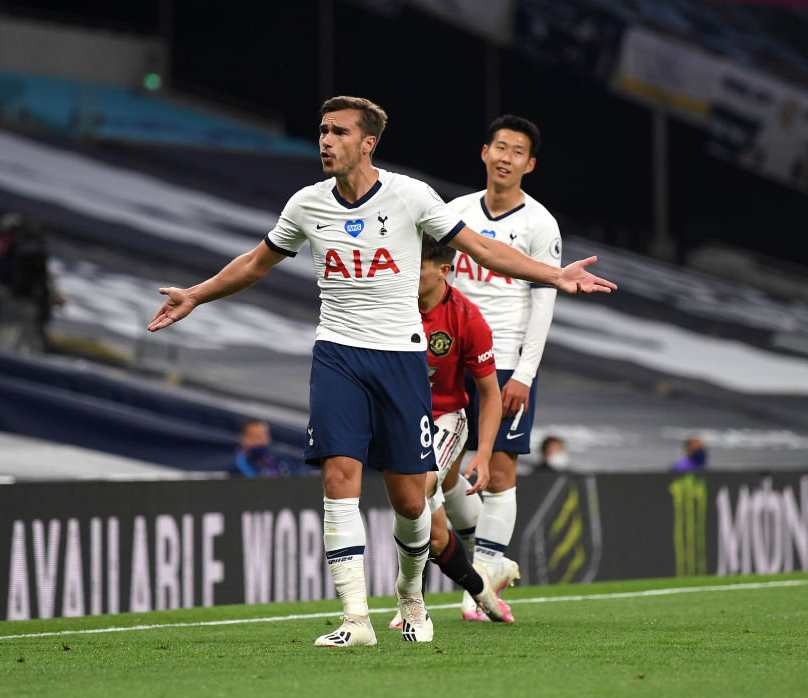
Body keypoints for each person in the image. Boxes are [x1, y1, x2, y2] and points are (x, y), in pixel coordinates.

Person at [148, 96, 616, 648]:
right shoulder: (305, 204)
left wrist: (554, 275)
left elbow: (482, 250)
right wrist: (196, 296)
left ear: (367, 143)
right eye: (322, 131)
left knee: (411, 501)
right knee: (338, 477)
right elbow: (256, 262)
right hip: (338, 356)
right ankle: (355, 619)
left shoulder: (411, 196)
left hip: (400, 360)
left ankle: (412, 600)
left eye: (339, 132)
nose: (325, 141)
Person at [442, 114, 560, 621]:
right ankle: (487, 560)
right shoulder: (454, 212)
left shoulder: (540, 224)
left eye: (518, 151)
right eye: (500, 147)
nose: (507, 157)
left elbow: (544, 303)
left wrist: (525, 375)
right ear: (484, 153)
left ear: (529, 165)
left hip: (507, 358)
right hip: (449, 355)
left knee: (500, 471)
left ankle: (481, 584)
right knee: (442, 474)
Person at [388, 235, 514, 630]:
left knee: (422, 485)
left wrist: (484, 450)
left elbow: (489, 393)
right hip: (399, 419)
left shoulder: (467, 318)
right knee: (438, 522)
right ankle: (483, 583)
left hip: (446, 418)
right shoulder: (390, 305)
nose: (407, 271)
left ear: (444, 271)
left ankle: (410, 598)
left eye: (418, 264)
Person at [0, 212, 63, 354]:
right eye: (11, 236)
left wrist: (54, 298)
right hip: (2, 317)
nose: (16, 241)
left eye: (20, 237)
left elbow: (45, 288)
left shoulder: (32, 265)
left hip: (29, 320)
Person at [232, 419, 298, 478]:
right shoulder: (239, 462)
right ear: (244, 439)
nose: (262, 440)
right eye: (256, 436)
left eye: (264, 435)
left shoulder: (278, 456)